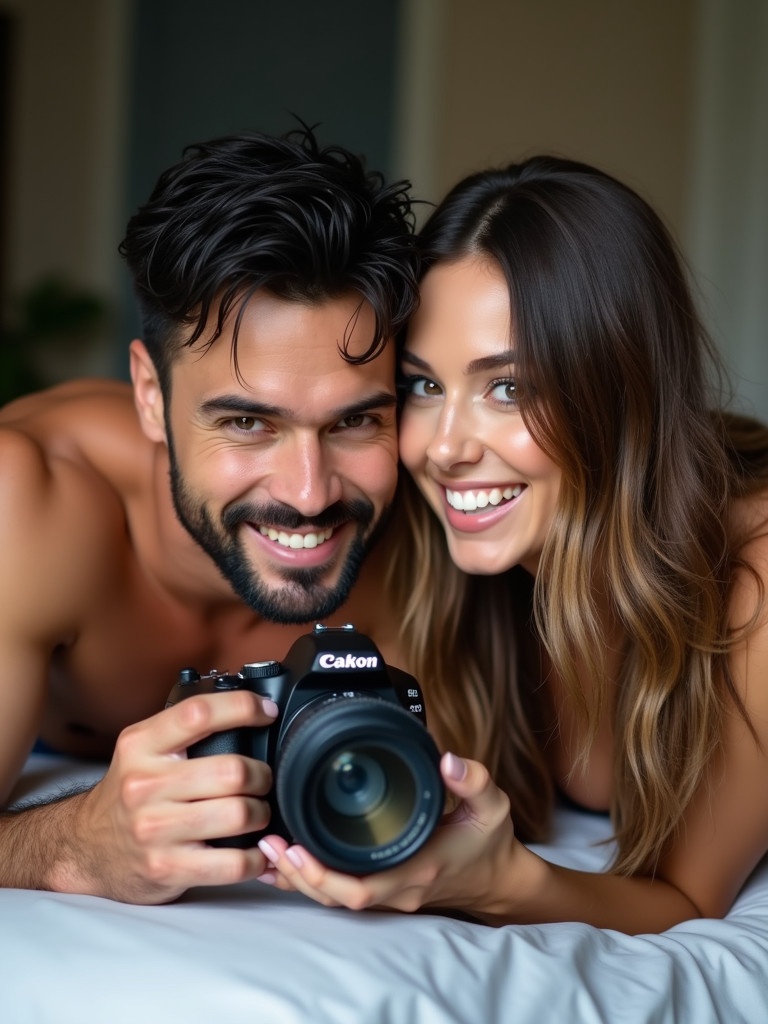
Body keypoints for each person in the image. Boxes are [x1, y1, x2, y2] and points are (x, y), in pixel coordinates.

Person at [256, 155, 768, 934]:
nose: (445, 447)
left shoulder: (752, 584)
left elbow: (689, 901)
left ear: (618, 394)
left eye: (509, 387)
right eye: (424, 386)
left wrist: (499, 881)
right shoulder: (445, 563)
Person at [0, 126, 419, 904]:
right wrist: (77, 844)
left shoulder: (427, 526)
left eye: (354, 422)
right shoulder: (30, 503)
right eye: (247, 423)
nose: (308, 492)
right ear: (151, 398)